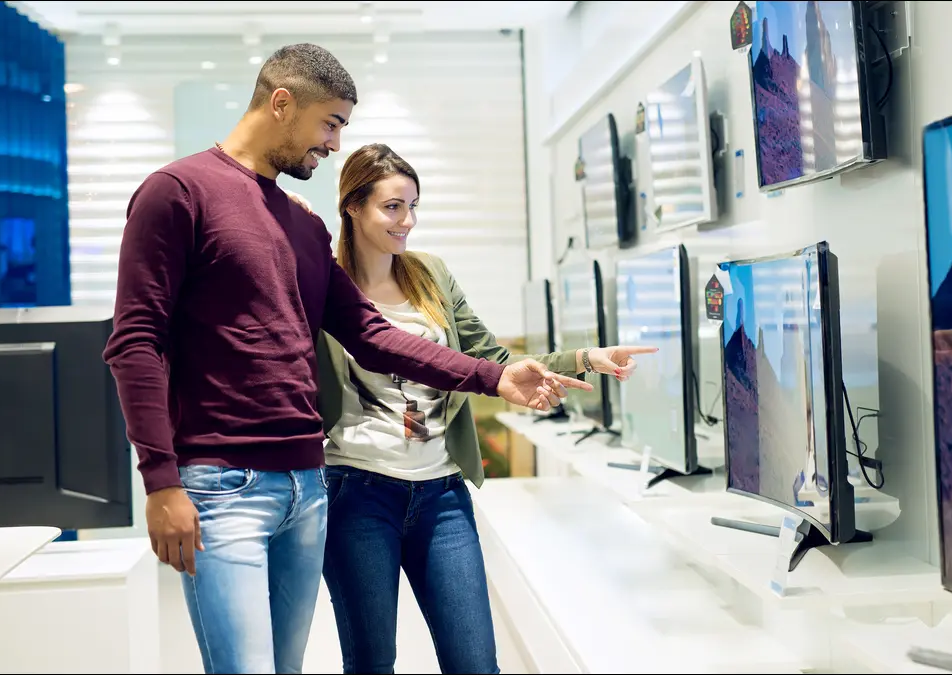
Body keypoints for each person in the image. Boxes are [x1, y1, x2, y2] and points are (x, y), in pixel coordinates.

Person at [101, 44, 588, 675]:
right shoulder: (177, 192)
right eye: (330, 123)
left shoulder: (302, 227)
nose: (334, 145)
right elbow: (135, 342)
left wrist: (496, 376)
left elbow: (371, 333)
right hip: (223, 484)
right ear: (282, 103)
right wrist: (161, 481)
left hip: (308, 486)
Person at [289, 143, 654, 674]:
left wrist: (586, 359)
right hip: (359, 493)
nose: (407, 220)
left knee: (476, 663)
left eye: (414, 205)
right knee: (370, 662)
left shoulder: (429, 274)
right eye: (393, 207)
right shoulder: (324, 285)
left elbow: (493, 361)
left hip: (442, 493)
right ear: (353, 206)